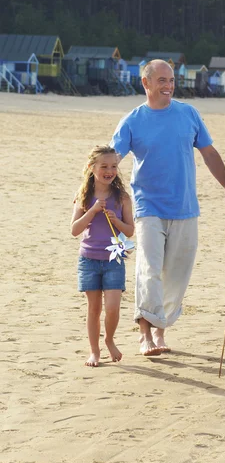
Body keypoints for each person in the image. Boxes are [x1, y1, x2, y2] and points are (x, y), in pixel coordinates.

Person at [110, 59, 225, 356]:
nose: (168, 86)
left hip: (185, 207)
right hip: (148, 206)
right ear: (146, 83)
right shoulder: (132, 121)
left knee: (177, 275)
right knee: (150, 269)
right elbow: (111, 160)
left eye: (171, 80)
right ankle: (145, 335)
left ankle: (161, 328)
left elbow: (209, 154)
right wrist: (93, 192)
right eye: (162, 80)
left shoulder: (188, 114)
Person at [71, 145, 135, 367]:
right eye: (104, 166)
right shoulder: (84, 195)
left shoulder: (122, 197)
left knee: (113, 307)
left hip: (113, 260)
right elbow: (74, 230)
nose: (110, 171)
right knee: (94, 308)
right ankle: (94, 352)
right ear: (92, 168)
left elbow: (129, 230)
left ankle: (109, 339)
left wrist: (116, 221)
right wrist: (92, 211)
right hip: (88, 259)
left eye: (114, 166)